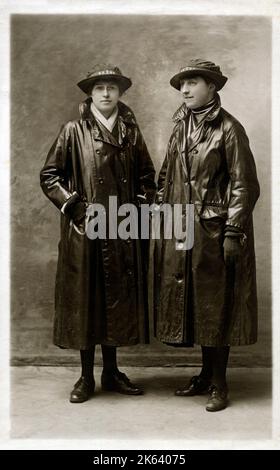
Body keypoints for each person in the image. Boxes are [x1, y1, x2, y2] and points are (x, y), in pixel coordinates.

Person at [40, 64, 156, 403]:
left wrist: (136, 207)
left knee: (115, 301)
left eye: (112, 88)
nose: (106, 93)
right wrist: (75, 208)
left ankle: (112, 371)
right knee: (86, 301)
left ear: (120, 93)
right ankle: (86, 376)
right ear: (90, 93)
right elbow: (50, 176)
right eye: (100, 87)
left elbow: (149, 177)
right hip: (85, 231)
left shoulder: (132, 133)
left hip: (121, 228)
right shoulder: (72, 130)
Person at [154, 59, 260, 411]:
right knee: (197, 305)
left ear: (212, 86)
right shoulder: (179, 127)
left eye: (192, 82)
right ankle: (203, 374)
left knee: (216, 306)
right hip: (182, 228)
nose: (184, 89)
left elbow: (245, 186)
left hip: (214, 230)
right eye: (182, 83)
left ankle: (219, 383)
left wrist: (233, 230)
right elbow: (167, 174)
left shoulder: (229, 128)